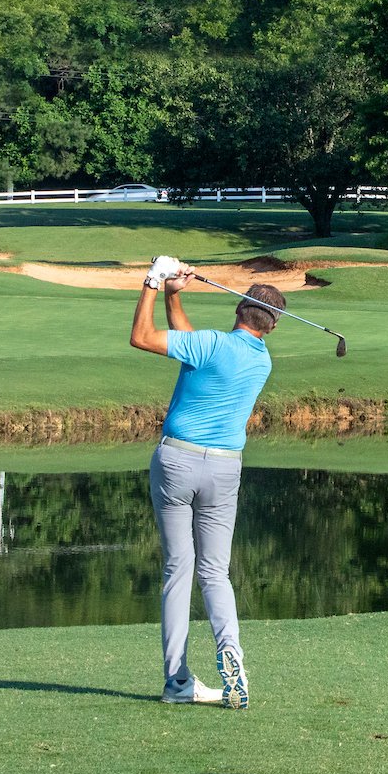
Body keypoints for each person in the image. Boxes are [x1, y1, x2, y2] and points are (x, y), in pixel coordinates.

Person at [129, 257, 282, 708]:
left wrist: (153, 281)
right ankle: (231, 649)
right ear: (271, 327)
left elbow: (142, 337)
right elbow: (190, 345)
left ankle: (177, 681)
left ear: (238, 308)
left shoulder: (212, 344)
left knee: (179, 570)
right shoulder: (261, 361)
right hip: (224, 470)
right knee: (215, 572)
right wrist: (175, 294)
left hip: (177, 462)